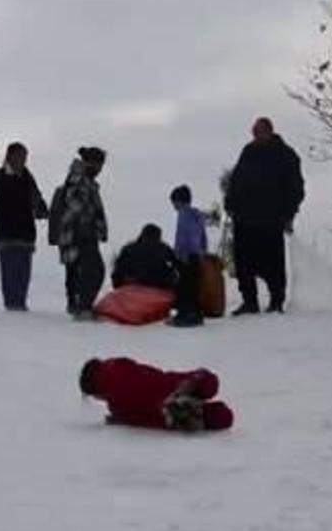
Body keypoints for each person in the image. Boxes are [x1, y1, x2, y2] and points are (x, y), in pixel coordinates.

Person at [224, 117, 305, 315]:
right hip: (244, 217)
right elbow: (236, 180)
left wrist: (289, 213)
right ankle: (249, 301)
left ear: (269, 131)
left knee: (273, 262)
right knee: (243, 260)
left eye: (259, 132)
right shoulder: (248, 152)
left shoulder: (285, 155)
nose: (256, 136)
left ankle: (276, 300)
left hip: (271, 217)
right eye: (253, 132)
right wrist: (230, 203)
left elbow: (296, 187)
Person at [78, 357, 234, 432]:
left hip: (163, 408)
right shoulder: (118, 363)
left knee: (219, 416)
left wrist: (118, 419)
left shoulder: (117, 405)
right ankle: (198, 380)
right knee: (205, 381)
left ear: (97, 393)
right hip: (167, 383)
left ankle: (190, 408)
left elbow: (142, 418)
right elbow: (144, 371)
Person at [0, 142, 49, 311]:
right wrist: (8, 202)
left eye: (25, 156)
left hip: (26, 234)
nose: (23, 160)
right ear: (9, 156)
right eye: (21, 156)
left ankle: (20, 304)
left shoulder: (28, 177)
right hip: (6, 233)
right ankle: (12, 306)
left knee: (23, 274)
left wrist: (43, 211)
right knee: (10, 272)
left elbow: (37, 199)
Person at [52, 147, 109, 319]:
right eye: (99, 165)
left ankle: (77, 305)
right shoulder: (80, 179)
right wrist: (87, 220)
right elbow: (75, 202)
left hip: (74, 234)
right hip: (80, 233)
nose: (100, 170)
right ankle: (82, 307)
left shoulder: (80, 178)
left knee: (78, 270)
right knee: (94, 270)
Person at [170, 185, 208, 327]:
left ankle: (187, 314)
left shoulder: (184, 215)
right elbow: (202, 236)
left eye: (174, 202)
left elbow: (185, 236)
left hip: (186, 256)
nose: (173, 206)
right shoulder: (197, 215)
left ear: (179, 201)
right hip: (196, 255)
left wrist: (181, 253)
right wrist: (202, 251)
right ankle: (195, 313)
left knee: (185, 286)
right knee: (193, 285)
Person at [111, 224, 177, 292]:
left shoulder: (129, 249)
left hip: (132, 287)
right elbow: (176, 265)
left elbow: (118, 272)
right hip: (159, 287)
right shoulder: (164, 249)